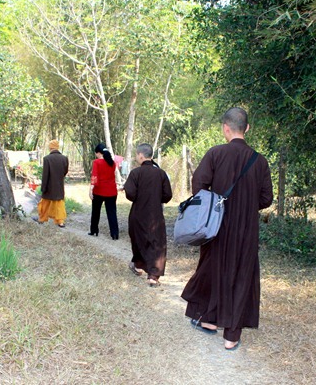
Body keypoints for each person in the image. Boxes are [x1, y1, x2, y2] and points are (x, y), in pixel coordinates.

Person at [181, 107, 273, 351]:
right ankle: (231, 337)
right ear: (247, 128)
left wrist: (214, 203)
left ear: (225, 128)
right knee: (242, 275)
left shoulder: (216, 153)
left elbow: (199, 185)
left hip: (216, 225)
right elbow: (266, 199)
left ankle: (209, 320)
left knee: (213, 268)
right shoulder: (260, 161)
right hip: (247, 229)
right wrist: (247, 203)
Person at [123, 143, 173, 287]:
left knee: (138, 239)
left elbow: (130, 194)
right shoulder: (161, 174)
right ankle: (153, 276)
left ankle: (138, 265)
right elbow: (167, 195)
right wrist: (156, 198)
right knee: (156, 243)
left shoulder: (135, 173)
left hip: (138, 213)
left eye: (136, 155)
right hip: (155, 214)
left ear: (140, 155)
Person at [88, 143, 119, 240]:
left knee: (96, 211)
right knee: (112, 213)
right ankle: (114, 234)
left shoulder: (97, 162)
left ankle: (94, 230)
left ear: (98, 153)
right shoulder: (112, 163)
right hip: (112, 191)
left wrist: (91, 189)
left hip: (99, 191)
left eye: (96, 153)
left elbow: (95, 176)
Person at [35, 139, 69, 227]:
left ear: (50, 147)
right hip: (59, 185)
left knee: (45, 203)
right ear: (57, 147)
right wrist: (59, 178)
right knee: (59, 203)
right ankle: (60, 222)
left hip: (49, 186)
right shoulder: (64, 158)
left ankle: (42, 218)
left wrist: (43, 187)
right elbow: (65, 171)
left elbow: (45, 175)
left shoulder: (47, 159)